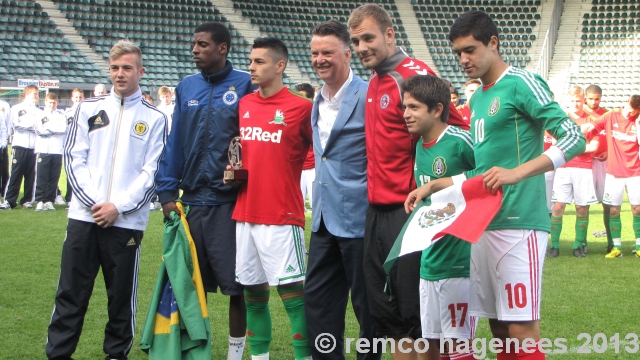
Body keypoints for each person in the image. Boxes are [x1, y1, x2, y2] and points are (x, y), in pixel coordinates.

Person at [408, 10, 585, 360]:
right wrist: (434, 185)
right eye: (458, 52)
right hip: (484, 221)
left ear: (493, 42)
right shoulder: (477, 99)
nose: (463, 59)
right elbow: (485, 170)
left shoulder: (522, 82)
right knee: (498, 326)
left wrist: (518, 172)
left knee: (520, 328)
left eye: (470, 50)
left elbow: (573, 137)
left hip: (520, 222)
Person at [348, 4, 466, 358]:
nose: (361, 47)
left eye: (368, 38)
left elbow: (456, 130)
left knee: (415, 317)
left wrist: (435, 184)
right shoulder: (375, 80)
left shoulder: (411, 76)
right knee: (387, 316)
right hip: (377, 212)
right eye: (355, 41)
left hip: (410, 212)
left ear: (389, 35)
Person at [46, 39, 167, 360]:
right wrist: (96, 203)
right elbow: (74, 158)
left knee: (120, 297)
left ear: (141, 71)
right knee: (71, 293)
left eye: (127, 68)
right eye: (114, 68)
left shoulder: (155, 118)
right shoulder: (88, 109)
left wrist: (119, 206)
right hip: (85, 217)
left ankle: (116, 355)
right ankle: (59, 354)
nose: (120, 74)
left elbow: (152, 171)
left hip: (126, 221)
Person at [155, 22, 254, 360]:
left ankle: (235, 354)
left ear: (223, 48)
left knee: (235, 287)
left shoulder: (245, 83)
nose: (194, 49)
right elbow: (175, 142)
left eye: (202, 44)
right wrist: (167, 192)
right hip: (191, 203)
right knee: (189, 285)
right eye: (193, 44)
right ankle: (193, 349)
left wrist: (245, 175)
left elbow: (252, 141)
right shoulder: (186, 87)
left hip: (230, 204)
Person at [226, 37, 312, 360]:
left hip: (282, 216)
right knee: (253, 296)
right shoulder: (245, 104)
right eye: (250, 61)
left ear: (280, 66)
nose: (251, 66)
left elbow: (321, 150)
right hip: (245, 213)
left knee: (294, 297)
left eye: (259, 61)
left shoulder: (301, 108)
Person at [304, 20, 378, 360]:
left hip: (360, 218)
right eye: (315, 53)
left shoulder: (371, 94)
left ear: (347, 54)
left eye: (328, 53)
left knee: (368, 307)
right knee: (318, 304)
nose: (320, 59)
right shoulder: (316, 99)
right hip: (321, 219)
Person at [403, 75, 477, 360]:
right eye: (404, 107)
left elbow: (490, 175)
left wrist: (436, 183)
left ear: (436, 109)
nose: (406, 114)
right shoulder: (420, 144)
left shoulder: (460, 140)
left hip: (461, 259)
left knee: (458, 348)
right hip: (430, 259)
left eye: (413, 107)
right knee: (429, 343)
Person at [584, 95, 640, 259]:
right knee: (613, 210)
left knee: (637, 209)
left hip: (635, 172)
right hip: (614, 172)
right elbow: (592, 127)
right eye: (631, 110)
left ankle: (638, 246)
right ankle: (616, 247)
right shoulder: (611, 116)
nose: (631, 114)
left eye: (635, 112)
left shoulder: (637, 120)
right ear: (627, 104)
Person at [547, 86, 600, 258]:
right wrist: (580, 137)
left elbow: (594, 146)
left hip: (584, 169)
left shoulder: (591, 120)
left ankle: (578, 244)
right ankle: (554, 245)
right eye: (572, 101)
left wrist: (571, 143)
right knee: (558, 207)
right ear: (567, 101)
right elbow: (556, 142)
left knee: (582, 208)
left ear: (583, 100)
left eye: (578, 100)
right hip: (564, 167)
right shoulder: (562, 119)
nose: (576, 103)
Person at [0, 85, 43, 210]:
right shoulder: (16, 108)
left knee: (31, 175)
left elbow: (40, 128)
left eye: (37, 94)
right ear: (27, 94)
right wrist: (31, 126)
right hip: (20, 145)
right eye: (34, 94)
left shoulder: (39, 111)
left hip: (34, 147)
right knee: (16, 173)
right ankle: (9, 200)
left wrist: (31, 126)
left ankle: (27, 200)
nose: (36, 96)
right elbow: (16, 125)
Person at [583, 84, 613, 250]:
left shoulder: (607, 115)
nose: (594, 102)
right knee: (583, 204)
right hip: (585, 164)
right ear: (585, 98)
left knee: (607, 203)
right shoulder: (579, 115)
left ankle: (610, 241)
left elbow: (614, 137)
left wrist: (608, 151)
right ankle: (583, 242)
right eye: (591, 99)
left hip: (603, 163)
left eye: (597, 99)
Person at [34, 92, 67, 211]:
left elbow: (63, 129)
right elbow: (39, 131)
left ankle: (49, 200)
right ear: (45, 102)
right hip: (43, 149)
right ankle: (40, 200)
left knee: (54, 176)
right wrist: (54, 130)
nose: (52, 105)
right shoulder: (40, 114)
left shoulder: (61, 115)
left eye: (54, 103)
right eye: (49, 103)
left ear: (57, 103)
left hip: (57, 150)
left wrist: (50, 129)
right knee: (42, 176)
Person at [60, 88, 85, 206]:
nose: (78, 99)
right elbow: (64, 131)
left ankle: (81, 197)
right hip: (70, 146)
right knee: (70, 171)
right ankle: (70, 198)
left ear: (83, 98)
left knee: (83, 172)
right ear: (72, 98)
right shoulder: (66, 113)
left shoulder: (87, 112)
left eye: (80, 97)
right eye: (76, 97)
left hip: (83, 146)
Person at [295, 83, 316, 213]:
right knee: (298, 202)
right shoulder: (291, 116)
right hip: (298, 166)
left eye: (301, 96)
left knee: (315, 202)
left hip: (313, 165)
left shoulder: (315, 115)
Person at [0, 98, 9, 199]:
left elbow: (4, 127)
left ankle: (4, 191)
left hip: (1, 145)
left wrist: (4, 143)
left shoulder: (4, 105)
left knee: (3, 169)